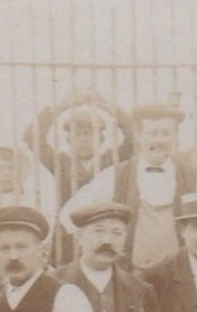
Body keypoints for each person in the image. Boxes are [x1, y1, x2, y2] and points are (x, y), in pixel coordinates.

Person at [58, 103, 197, 272]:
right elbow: (69, 215)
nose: (159, 140)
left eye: (166, 133)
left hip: (179, 279)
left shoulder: (195, 177)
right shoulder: (115, 176)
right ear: (138, 136)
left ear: (175, 138)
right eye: (152, 133)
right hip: (130, 276)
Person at [24, 93, 134, 262]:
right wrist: (59, 107)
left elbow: (134, 139)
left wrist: (108, 107)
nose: (83, 140)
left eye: (89, 134)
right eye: (78, 135)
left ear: (101, 139)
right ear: (69, 140)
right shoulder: (61, 163)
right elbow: (32, 137)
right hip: (68, 236)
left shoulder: (112, 161)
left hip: (104, 233)